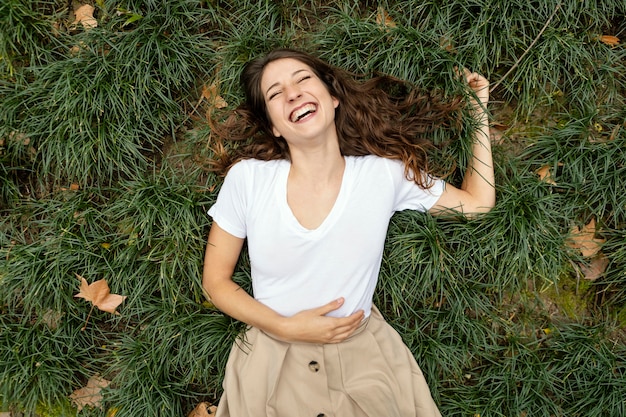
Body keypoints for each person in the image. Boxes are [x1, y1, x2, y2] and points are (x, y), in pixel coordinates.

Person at [202, 48, 494, 417]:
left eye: (303, 79)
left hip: (361, 357)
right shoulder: (247, 180)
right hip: (273, 356)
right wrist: (286, 327)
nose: (292, 92)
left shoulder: (383, 174)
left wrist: (477, 111)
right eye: (275, 94)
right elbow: (215, 280)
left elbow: (477, 203)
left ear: (333, 97)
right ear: (274, 125)